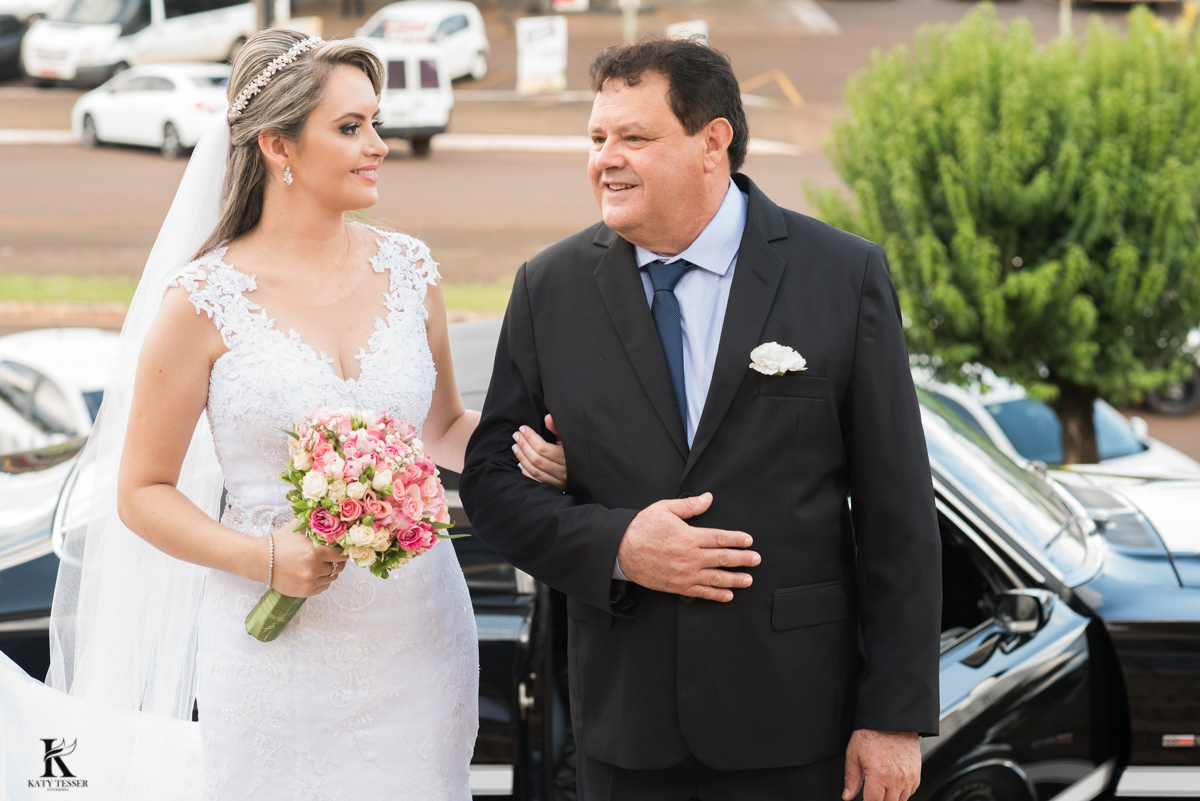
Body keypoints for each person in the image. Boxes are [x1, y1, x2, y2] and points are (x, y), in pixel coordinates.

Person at [0, 30, 566, 801]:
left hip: (418, 633)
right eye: (351, 127)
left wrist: (537, 454)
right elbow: (142, 493)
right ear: (278, 146)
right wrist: (266, 559)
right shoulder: (201, 302)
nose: (379, 145)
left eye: (375, 121)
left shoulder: (409, 269)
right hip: (275, 650)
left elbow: (441, 429)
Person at [461, 38, 942, 801]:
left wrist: (894, 717)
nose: (605, 160)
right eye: (596, 138)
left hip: (797, 722)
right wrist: (619, 544)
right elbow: (490, 484)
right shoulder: (548, 288)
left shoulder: (842, 275)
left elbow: (900, 515)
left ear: (712, 142)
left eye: (635, 138)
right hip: (626, 725)